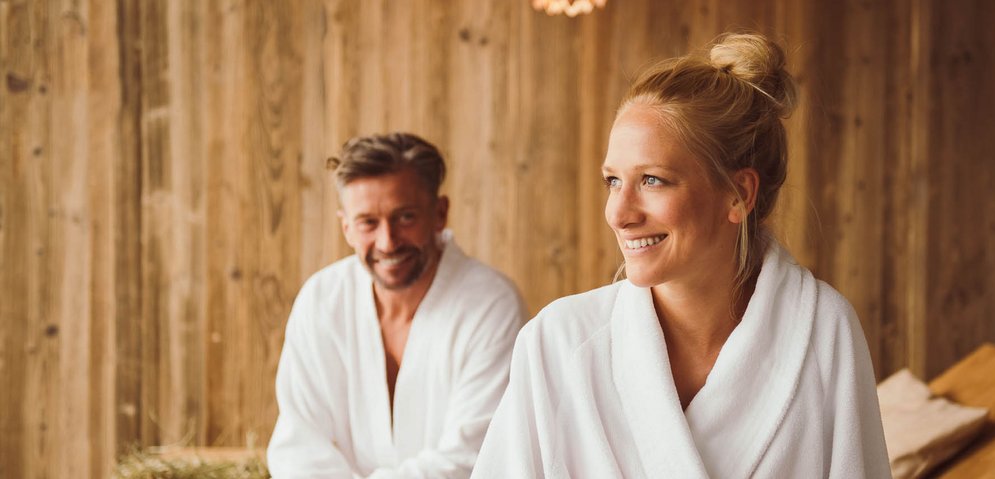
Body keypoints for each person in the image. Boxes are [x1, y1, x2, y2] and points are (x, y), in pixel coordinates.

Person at [473, 33, 891, 478]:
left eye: (652, 180)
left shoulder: (823, 331)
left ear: (738, 193)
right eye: (613, 181)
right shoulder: (556, 343)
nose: (618, 213)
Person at [268, 133, 526, 478]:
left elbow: (473, 456)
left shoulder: (492, 306)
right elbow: (299, 447)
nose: (387, 242)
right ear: (346, 227)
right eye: (368, 223)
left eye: (405, 217)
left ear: (439, 213)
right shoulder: (321, 301)